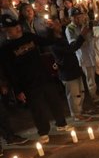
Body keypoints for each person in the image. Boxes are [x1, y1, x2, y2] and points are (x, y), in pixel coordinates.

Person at [0, 14, 74, 144]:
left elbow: (47, 41)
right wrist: (18, 91)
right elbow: (9, 72)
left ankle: (61, 123)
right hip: (28, 83)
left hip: (43, 76)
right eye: (11, 28)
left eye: (16, 26)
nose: (17, 29)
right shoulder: (6, 48)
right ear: (6, 31)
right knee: (37, 109)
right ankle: (43, 131)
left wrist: (54, 30)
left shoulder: (29, 37)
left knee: (54, 101)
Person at [52, 18, 91, 122]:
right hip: (67, 71)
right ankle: (76, 114)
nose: (59, 24)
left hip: (74, 67)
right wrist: (82, 35)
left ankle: (80, 110)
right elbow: (71, 49)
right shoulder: (54, 43)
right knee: (74, 94)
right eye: (55, 24)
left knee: (81, 91)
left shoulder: (62, 37)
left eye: (58, 22)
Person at [65, 7, 99, 103]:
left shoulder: (86, 24)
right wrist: (82, 34)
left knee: (98, 75)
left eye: (79, 16)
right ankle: (93, 96)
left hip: (94, 54)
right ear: (70, 18)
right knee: (90, 79)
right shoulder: (70, 29)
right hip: (84, 56)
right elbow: (73, 46)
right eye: (75, 17)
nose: (78, 18)